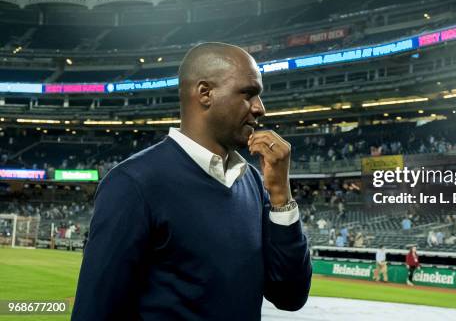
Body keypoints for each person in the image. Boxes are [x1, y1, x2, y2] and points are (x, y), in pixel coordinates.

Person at [72, 43, 312, 320]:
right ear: (205, 93)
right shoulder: (134, 183)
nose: (260, 108)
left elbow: (290, 296)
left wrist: (281, 196)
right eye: (248, 94)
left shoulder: (253, 185)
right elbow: (95, 311)